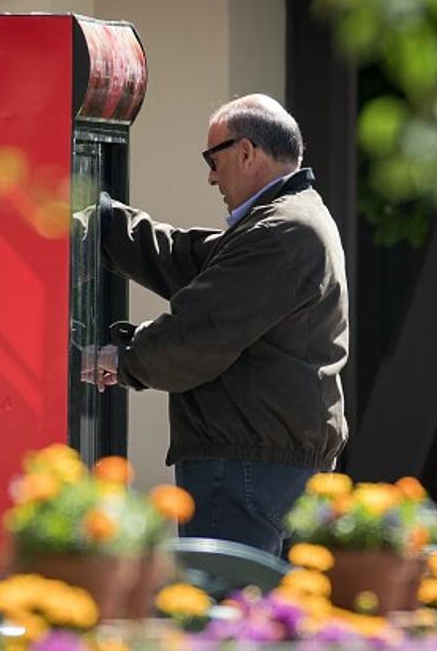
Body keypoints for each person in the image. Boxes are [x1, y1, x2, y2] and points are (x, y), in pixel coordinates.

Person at [81, 94, 349, 556]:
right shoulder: (291, 220)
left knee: (228, 613)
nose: (209, 176)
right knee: (260, 618)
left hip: (246, 465)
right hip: (266, 461)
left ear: (246, 151)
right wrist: (105, 224)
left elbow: (201, 332)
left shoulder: (280, 231)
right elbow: (191, 262)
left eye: (214, 158)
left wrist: (117, 359)